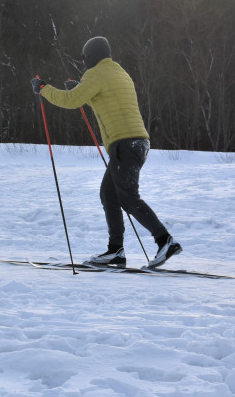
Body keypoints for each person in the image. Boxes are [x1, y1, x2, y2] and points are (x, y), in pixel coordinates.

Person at [31, 36, 182, 269]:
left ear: (90, 56)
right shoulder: (120, 73)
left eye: (84, 58)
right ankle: (115, 251)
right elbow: (105, 100)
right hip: (137, 143)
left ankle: (165, 241)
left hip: (125, 144)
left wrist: (44, 89)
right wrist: (82, 90)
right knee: (109, 194)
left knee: (127, 198)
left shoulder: (95, 74)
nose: (84, 62)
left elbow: (71, 101)